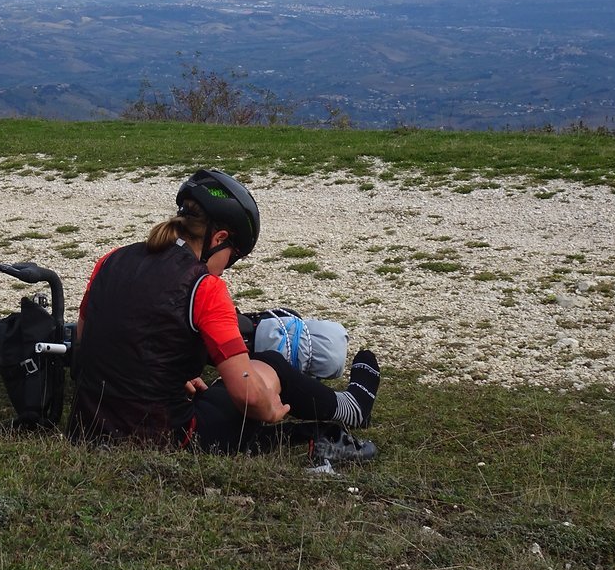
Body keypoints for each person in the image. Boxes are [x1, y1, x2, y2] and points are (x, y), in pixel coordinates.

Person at [65, 168, 381, 461]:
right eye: (232, 258)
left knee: (230, 380)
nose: (226, 269)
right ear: (219, 239)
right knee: (268, 365)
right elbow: (246, 396)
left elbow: (90, 341)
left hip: (88, 429)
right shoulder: (203, 285)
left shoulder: (112, 260)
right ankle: (352, 408)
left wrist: (170, 371)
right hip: (165, 438)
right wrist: (269, 409)